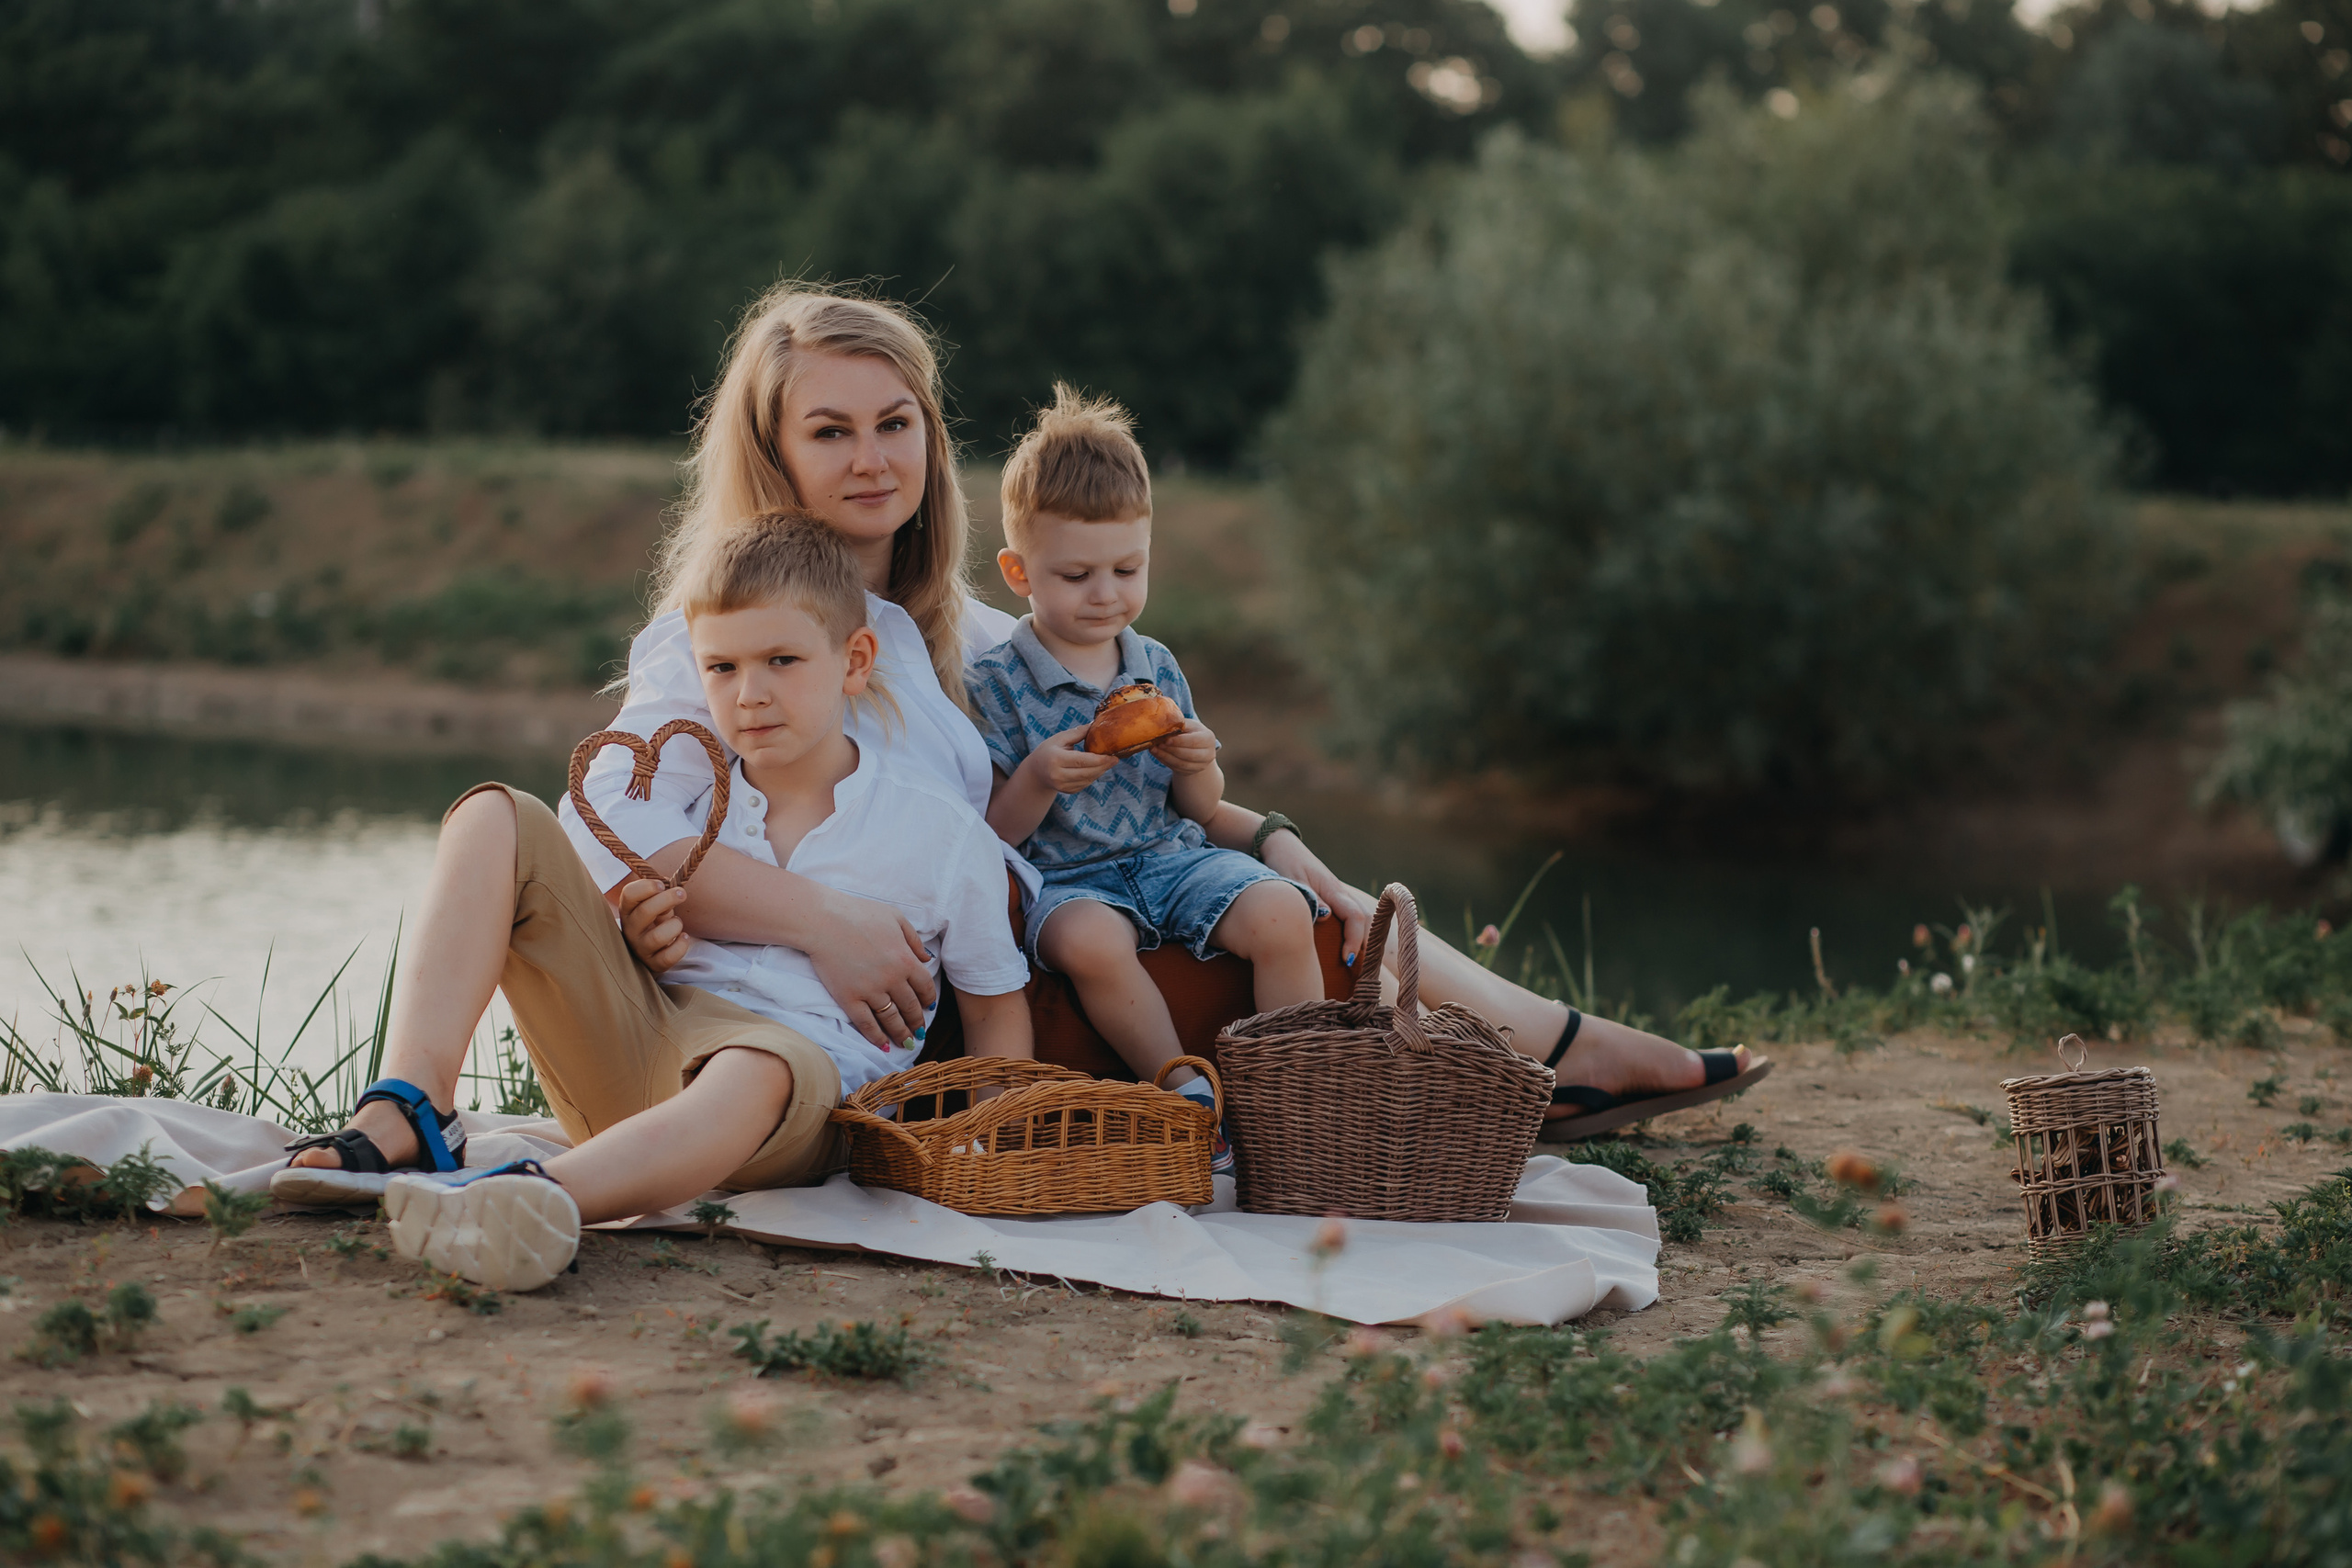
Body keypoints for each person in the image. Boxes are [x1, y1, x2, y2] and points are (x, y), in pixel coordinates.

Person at [283, 284, 1756, 1211]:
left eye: (898, 423)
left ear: (933, 438)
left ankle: (1551, 1050)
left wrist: (1265, 832)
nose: (873, 457)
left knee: (1304, 895)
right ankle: (406, 1107)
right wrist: (799, 914)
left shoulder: (975, 636)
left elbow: (1079, 808)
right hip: (761, 999)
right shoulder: (723, 628)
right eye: (830, 431)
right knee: (491, 814)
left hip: (904, 996)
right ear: (776, 452)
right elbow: (616, 826)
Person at [277, 513, 1033, 1291]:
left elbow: (995, 1008)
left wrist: (985, 1146)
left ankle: (536, 1197)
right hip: (645, 1061)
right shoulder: (691, 810)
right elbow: (634, 949)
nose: (750, 694)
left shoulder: (939, 832)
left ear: (856, 660)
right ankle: (412, 1106)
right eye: (722, 667)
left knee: (758, 1062)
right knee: (493, 813)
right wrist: (638, 940)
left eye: (781, 660)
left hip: (796, 1103)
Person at [964, 387, 1323, 1165]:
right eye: (1077, 574)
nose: (1106, 594)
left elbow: (1200, 806)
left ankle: (1293, 1097)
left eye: (1128, 568)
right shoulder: (995, 683)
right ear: (1019, 572)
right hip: (1069, 878)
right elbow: (994, 833)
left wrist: (1200, 761)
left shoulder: (1154, 665)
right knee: (1090, 941)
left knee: (1280, 911)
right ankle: (1181, 1087)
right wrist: (1038, 775)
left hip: (1170, 857)